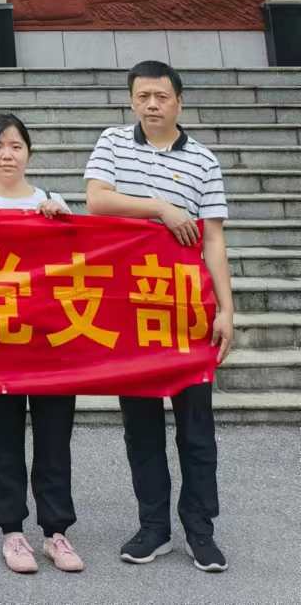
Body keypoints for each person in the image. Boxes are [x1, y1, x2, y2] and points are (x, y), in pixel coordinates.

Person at [85, 59, 233, 573]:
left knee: (197, 429)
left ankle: (201, 530)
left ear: (179, 102)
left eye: (161, 96)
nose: (151, 104)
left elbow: (213, 239)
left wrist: (227, 310)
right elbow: (97, 201)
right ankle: (153, 528)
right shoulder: (112, 143)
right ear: (132, 101)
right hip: (132, 310)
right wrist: (161, 207)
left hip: (188, 311)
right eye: (143, 96)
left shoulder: (204, 161)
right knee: (141, 427)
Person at [0, 113, 82, 575]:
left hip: (51, 343)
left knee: (55, 438)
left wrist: (62, 223)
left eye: (15, 146)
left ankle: (56, 532)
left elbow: (80, 264)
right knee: (2, 439)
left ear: (29, 153)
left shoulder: (53, 201)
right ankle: (11, 531)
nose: (6, 155)